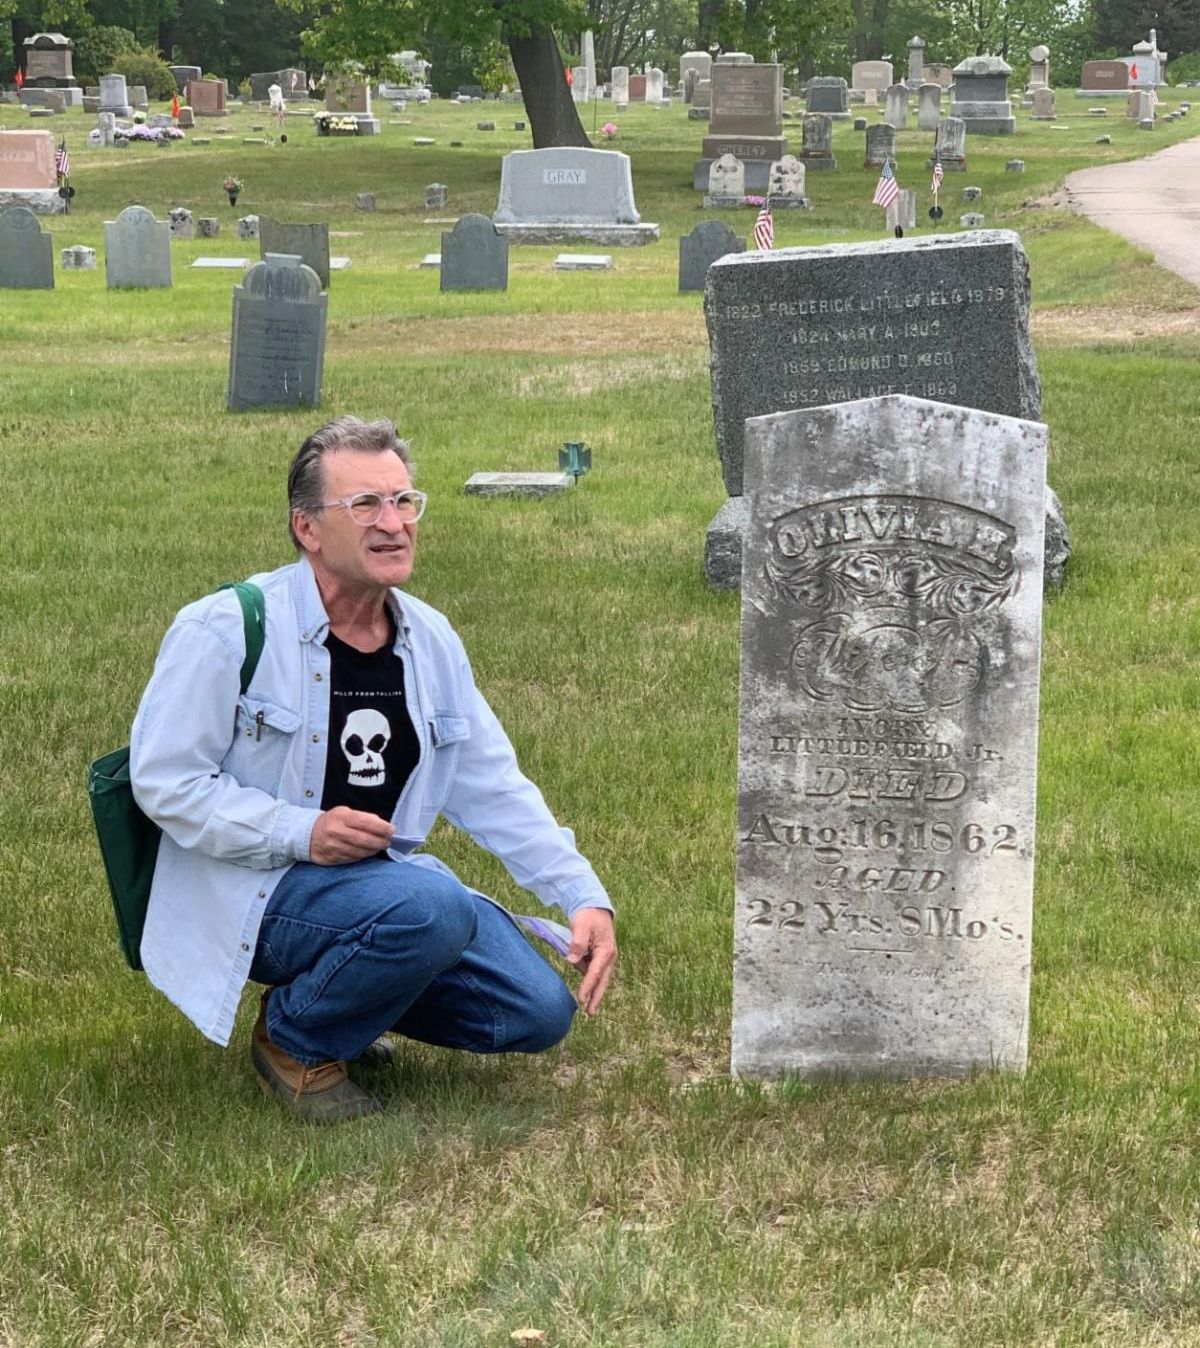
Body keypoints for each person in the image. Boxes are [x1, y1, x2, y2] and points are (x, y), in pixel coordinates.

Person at [130, 416, 617, 1122]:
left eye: (404, 501)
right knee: (432, 908)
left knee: (533, 1010)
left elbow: (492, 785)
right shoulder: (226, 628)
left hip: (378, 889)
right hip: (254, 888)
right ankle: (296, 1038)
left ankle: (347, 1000)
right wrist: (302, 832)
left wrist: (581, 895)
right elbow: (164, 781)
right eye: (365, 505)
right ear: (307, 528)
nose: (393, 524)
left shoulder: (431, 640)